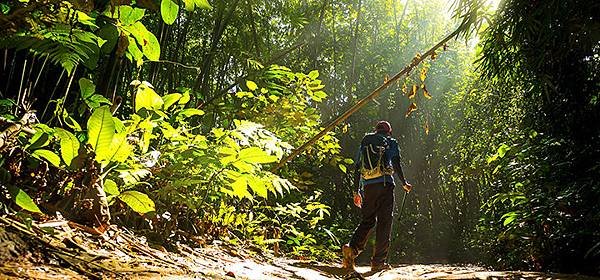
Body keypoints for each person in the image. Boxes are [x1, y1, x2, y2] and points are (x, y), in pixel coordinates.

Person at [342, 120, 413, 271]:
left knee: (367, 220)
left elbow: (357, 167)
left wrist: (356, 191)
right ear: (389, 132)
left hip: (368, 186)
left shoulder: (366, 142)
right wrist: (404, 182)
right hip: (385, 184)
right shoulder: (390, 141)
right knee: (384, 223)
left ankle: (352, 248)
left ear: (376, 131)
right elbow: (396, 163)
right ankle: (378, 262)